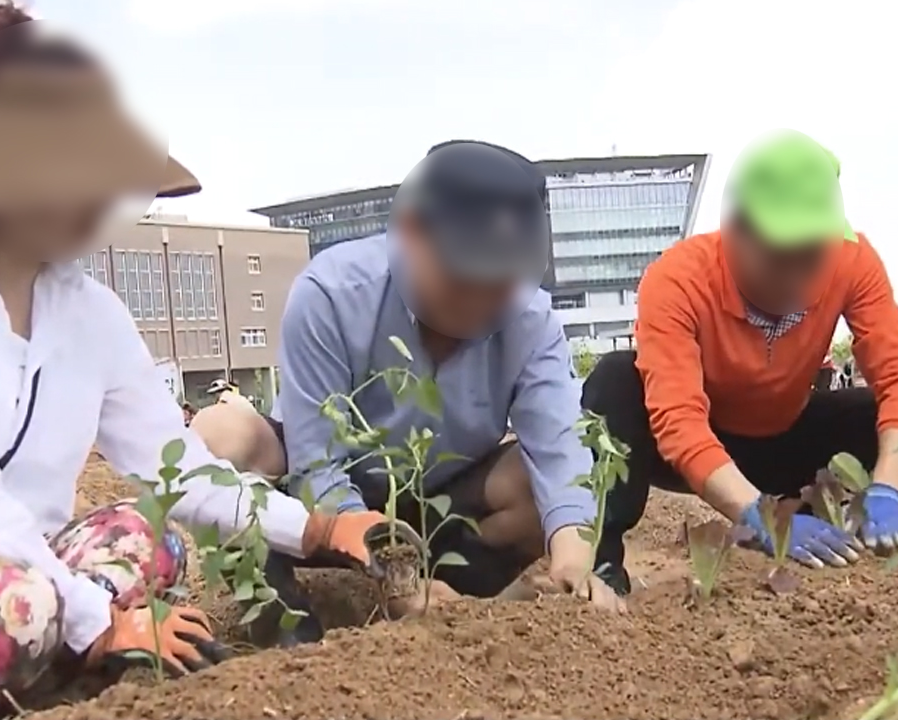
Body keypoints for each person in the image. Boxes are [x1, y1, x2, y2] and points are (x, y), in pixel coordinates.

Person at [0, 6, 388, 711]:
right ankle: (45, 654)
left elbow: (181, 468)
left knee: (147, 539)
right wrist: (98, 620)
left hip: (24, 568)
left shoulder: (90, 314)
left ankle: (40, 660)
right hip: (1, 573)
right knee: (20, 604)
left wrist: (312, 528)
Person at [190, 140, 623, 648]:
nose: (485, 302)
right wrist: (398, 583)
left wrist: (572, 561)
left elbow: (559, 454)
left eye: (503, 282)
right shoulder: (332, 294)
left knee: (536, 485)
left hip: (442, 501)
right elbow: (318, 468)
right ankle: (286, 620)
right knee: (218, 437)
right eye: (467, 277)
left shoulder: (533, 320)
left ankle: (460, 605)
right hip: (321, 509)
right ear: (412, 234)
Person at [582, 130, 898, 591]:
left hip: (785, 440)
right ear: (736, 233)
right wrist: (755, 513)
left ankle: (827, 529)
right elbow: (678, 418)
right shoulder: (677, 279)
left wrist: (887, 489)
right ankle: (602, 563)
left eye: (811, 257)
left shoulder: (854, 261)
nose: (796, 278)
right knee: (615, 381)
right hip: (699, 446)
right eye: (779, 257)